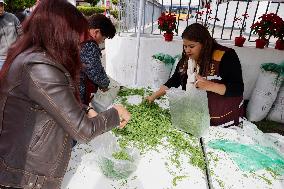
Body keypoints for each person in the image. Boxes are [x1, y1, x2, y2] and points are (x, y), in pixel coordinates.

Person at [0, 0, 130, 188]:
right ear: (61, 32)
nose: (78, 41)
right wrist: (116, 113)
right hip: (25, 175)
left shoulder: (33, 57)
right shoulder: (39, 67)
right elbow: (84, 131)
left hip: (23, 165)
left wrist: (85, 110)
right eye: (76, 33)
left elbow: (53, 101)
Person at [146, 23, 244, 127]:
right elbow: (175, 80)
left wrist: (209, 85)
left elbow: (237, 88)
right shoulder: (187, 59)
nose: (187, 50)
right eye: (185, 46)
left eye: (192, 46)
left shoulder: (226, 56)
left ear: (205, 44)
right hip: (199, 117)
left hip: (224, 119)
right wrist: (154, 95)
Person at [80, 14, 116, 105]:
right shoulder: (89, 44)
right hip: (76, 92)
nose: (102, 42)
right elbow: (95, 72)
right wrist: (105, 84)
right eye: (103, 38)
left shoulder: (79, 33)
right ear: (96, 32)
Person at [0, 0, 22, 70]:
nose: (0, 8)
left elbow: (21, 33)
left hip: (14, 56)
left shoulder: (12, 17)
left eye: (1, 5)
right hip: (1, 59)